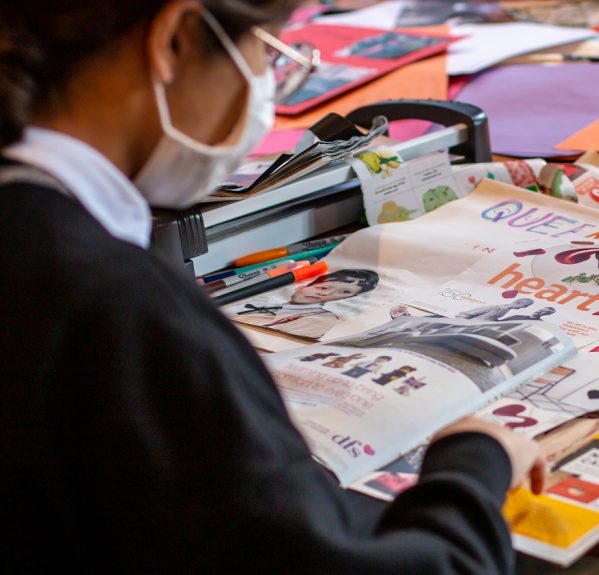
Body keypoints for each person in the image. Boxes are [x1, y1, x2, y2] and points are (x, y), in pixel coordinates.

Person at [0, 1, 545, 572]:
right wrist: (475, 467)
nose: (265, 83)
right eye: (266, 50)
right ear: (176, 39)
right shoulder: (122, 311)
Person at [233, 268, 379, 339]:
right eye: (323, 287)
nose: (326, 294)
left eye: (345, 292)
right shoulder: (263, 299)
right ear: (306, 284)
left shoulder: (323, 319)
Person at [457, 298, 534, 321]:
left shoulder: (506, 310)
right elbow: (465, 314)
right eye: (525, 306)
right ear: (518, 303)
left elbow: (490, 318)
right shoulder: (495, 307)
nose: (524, 308)